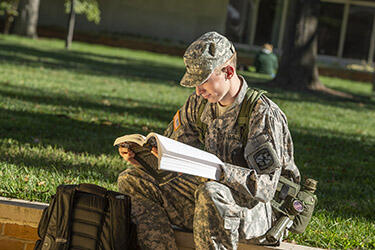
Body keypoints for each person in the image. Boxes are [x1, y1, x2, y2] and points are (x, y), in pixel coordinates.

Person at [117, 31, 300, 250]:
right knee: (132, 179)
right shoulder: (200, 102)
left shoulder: (262, 113)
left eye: (203, 81)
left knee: (211, 193)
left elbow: (266, 187)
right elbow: (172, 150)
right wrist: (146, 159)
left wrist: (221, 172)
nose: (198, 90)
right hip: (211, 195)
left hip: (258, 213)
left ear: (228, 72)